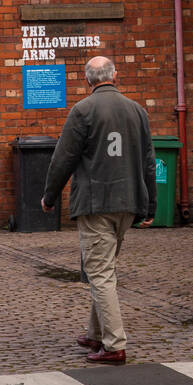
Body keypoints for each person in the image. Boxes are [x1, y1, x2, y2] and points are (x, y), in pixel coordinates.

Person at [41, 56, 156, 365]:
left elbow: (63, 158)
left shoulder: (83, 111)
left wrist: (49, 196)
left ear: (87, 79)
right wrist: (150, 206)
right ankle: (95, 333)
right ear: (115, 76)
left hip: (95, 203)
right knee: (103, 268)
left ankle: (115, 344)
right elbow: (148, 160)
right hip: (128, 202)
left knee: (101, 273)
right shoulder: (138, 111)